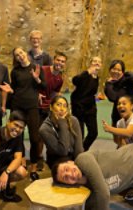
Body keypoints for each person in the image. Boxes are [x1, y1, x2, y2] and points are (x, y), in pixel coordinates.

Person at [10, 47, 46, 181]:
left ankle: (34, 168)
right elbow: (14, 88)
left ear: (25, 53)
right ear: (16, 58)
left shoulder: (37, 68)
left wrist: (37, 79)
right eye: (17, 55)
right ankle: (21, 161)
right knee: (17, 137)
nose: (20, 56)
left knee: (35, 138)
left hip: (32, 107)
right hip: (18, 106)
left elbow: (44, 86)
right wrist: (9, 91)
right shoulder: (15, 71)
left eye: (21, 52)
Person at [37, 50, 67, 170]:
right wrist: (36, 94)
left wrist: (58, 107)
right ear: (54, 60)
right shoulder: (43, 70)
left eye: (62, 61)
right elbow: (32, 83)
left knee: (48, 135)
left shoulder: (60, 78)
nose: (59, 63)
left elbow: (55, 93)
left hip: (48, 109)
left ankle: (49, 159)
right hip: (36, 107)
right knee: (37, 135)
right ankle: (38, 158)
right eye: (58, 60)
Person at [39, 96, 84, 169]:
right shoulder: (44, 129)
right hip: (57, 159)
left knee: (87, 160)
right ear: (51, 107)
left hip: (73, 157)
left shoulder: (73, 121)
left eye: (65, 106)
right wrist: (62, 122)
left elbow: (79, 148)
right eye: (58, 105)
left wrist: (79, 163)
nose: (62, 109)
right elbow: (63, 151)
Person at [71, 56, 101, 151]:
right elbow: (75, 81)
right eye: (94, 61)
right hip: (78, 108)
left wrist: (96, 98)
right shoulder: (85, 75)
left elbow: (88, 93)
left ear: (101, 65)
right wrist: (88, 71)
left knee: (93, 132)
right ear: (90, 63)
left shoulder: (97, 78)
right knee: (80, 134)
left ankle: (83, 150)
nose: (96, 63)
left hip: (90, 108)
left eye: (98, 62)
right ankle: (78, 153)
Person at [104, 59, 133, 126]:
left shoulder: (127, 79)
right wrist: (109, 84)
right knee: (117, 134)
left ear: (122, 72)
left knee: (132, 135)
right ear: (110, 70)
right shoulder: (109, 84)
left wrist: (129, 74)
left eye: (119, 70)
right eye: (114, 69)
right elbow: (112, 98)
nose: (116, 71)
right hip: (118, 115)